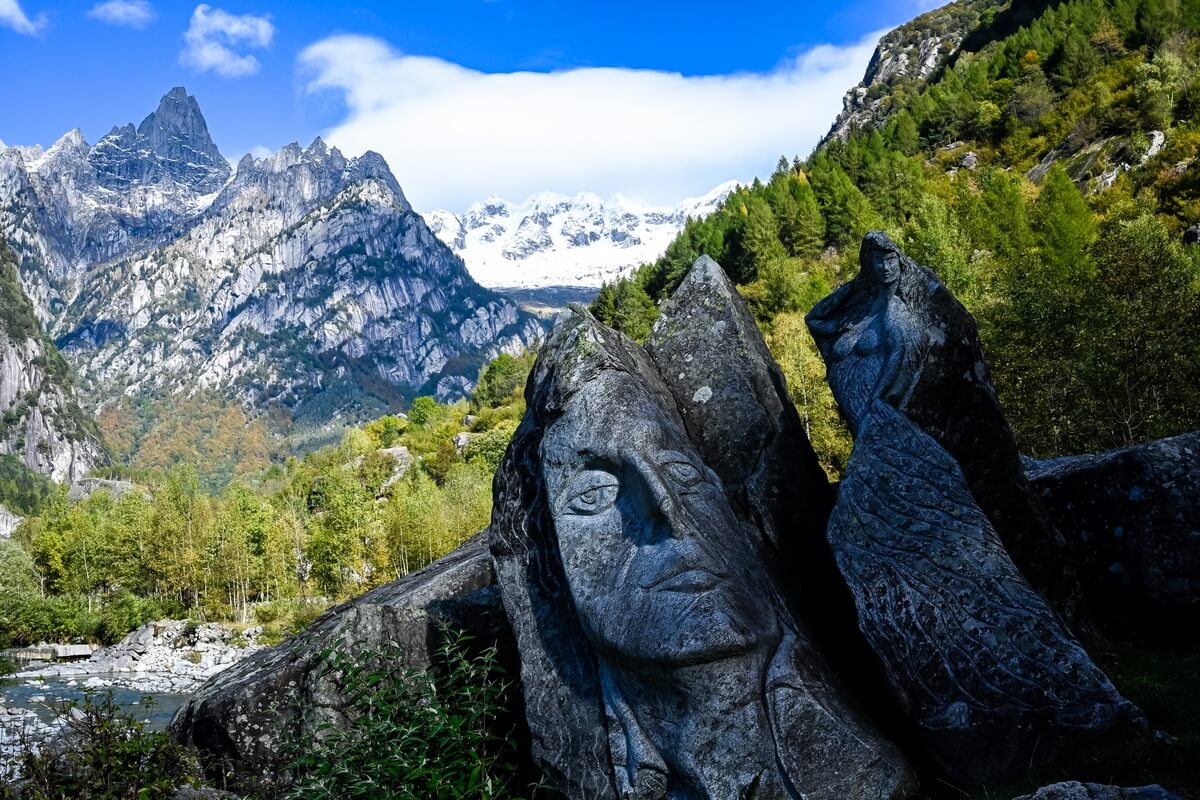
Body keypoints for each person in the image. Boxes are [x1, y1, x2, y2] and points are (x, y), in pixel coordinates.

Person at [490, 310, 913, 800]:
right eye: (595, 494)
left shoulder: (862, 773)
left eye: (682, 474)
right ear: (554, 570)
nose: (667, 511)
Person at [806, 231, 924, 435]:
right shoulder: (860, 307)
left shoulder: (897, 313)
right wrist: (854, 285)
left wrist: (876, 400)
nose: (885, 268)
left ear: (900, 262)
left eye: (890, 260)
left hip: (870, 414)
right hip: (855, 415)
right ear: (870, 265)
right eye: (878, 261)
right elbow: (813, 318)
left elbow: (899, 358)